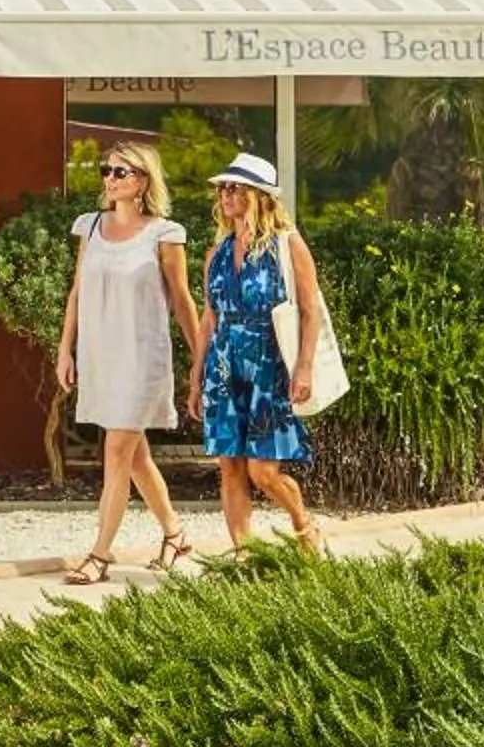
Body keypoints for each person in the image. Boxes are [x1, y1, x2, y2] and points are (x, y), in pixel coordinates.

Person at [53, 142, 206, 585]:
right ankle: (175, 536)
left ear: (142, 181)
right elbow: (77, 291)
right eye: (107, 170)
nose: (110, 177)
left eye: (121, 172)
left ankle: (100, 554)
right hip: (102, 354)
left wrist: (200, 360)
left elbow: (182, 299)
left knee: (116, 449)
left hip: (143, 356)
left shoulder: (165, 233)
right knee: (135, 456)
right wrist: (67, 348)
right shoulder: (90, 227)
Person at [196, 152, 327, 553]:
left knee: (263, 471)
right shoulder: (216, 252)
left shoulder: (287, 245)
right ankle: (243, 557)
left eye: (233, 187)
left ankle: (305, 527)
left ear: (259, 195)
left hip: (269, 365)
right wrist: (196, 371)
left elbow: (310, 311)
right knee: (230, 467)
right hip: (224, 365)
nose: (225, 194)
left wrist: (303, 368)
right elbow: (209, 315)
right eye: (222, 188)